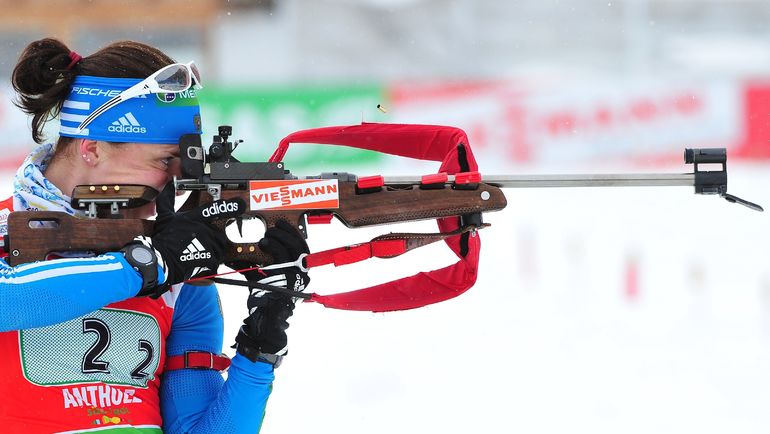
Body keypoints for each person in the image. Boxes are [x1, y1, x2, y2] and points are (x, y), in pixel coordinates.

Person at [0, 37, 309, 433]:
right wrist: (148, 265)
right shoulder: (11, 231)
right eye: (164, 160)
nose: (175, 183)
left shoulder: (180, 276)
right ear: (92, 148)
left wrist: (261, 342)